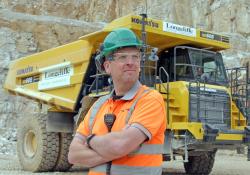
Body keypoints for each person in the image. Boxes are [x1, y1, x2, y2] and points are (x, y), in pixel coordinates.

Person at [68, 28, 167, 175]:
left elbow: (120, 145)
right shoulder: (98, 106)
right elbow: (73, 154)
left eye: (135, 57)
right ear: (107, 66)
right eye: (122, 57)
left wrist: (89, 141)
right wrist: (112, 149)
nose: (130, 62)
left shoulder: (150, 99)